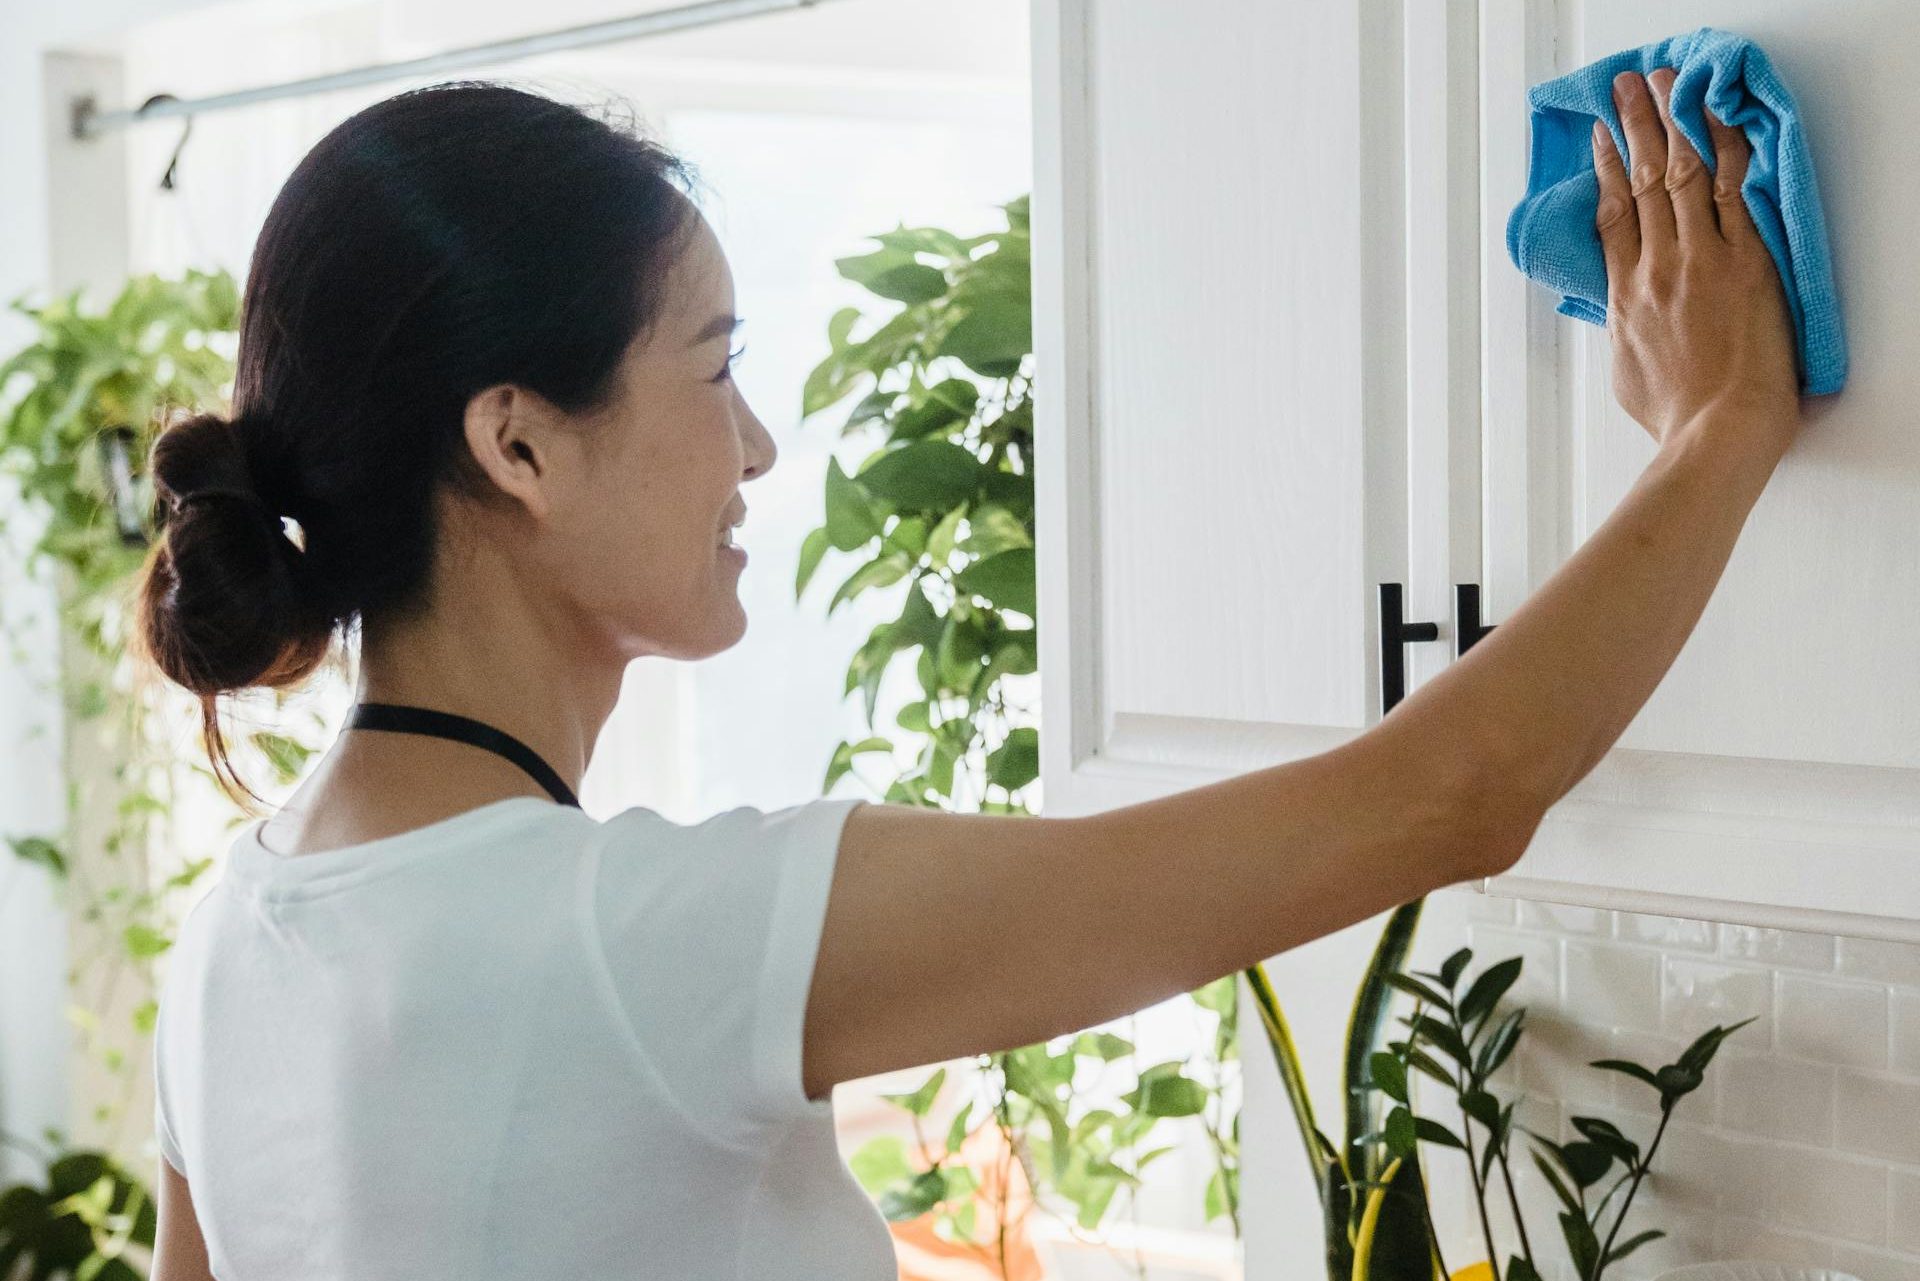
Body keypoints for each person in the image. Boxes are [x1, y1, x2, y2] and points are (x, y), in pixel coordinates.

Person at [141, 66, 1799, 1280]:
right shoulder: (637, 939)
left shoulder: (226, 945)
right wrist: (1721, 421)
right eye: (715, 368)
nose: (759, 445)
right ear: (517, 442)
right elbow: (1452, 792)